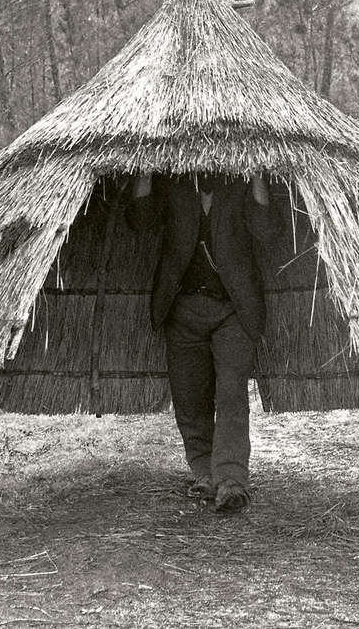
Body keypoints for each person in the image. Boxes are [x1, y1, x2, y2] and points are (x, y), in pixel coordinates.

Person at [127, 171, 281, 513]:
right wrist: (144, 170)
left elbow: (267, 229)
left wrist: (256, 173)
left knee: (231, 392)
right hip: (182, 308)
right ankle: (203, 471)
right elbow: (139, 222)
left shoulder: (240, 182)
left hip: (233, 308)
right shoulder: (172, 183)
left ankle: (230, 480)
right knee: (189, 396)